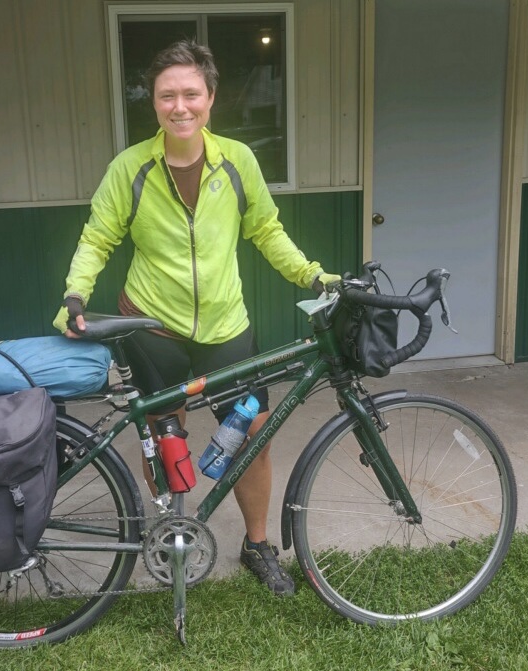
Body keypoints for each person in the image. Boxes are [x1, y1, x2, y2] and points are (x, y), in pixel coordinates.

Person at [53, 39, 339, 596]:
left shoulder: (238, 161)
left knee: (252, 431)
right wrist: (75, 294)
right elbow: (98, 237)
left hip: (226, 328)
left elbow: (266, 230)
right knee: (165, 437)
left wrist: (313, 275)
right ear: (153, 102)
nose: (178, 106)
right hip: (152, 326)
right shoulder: (130, 167)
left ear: (210, 98)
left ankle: (257, 545)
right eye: (167, 96)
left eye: (190, 94)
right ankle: (171, 534)